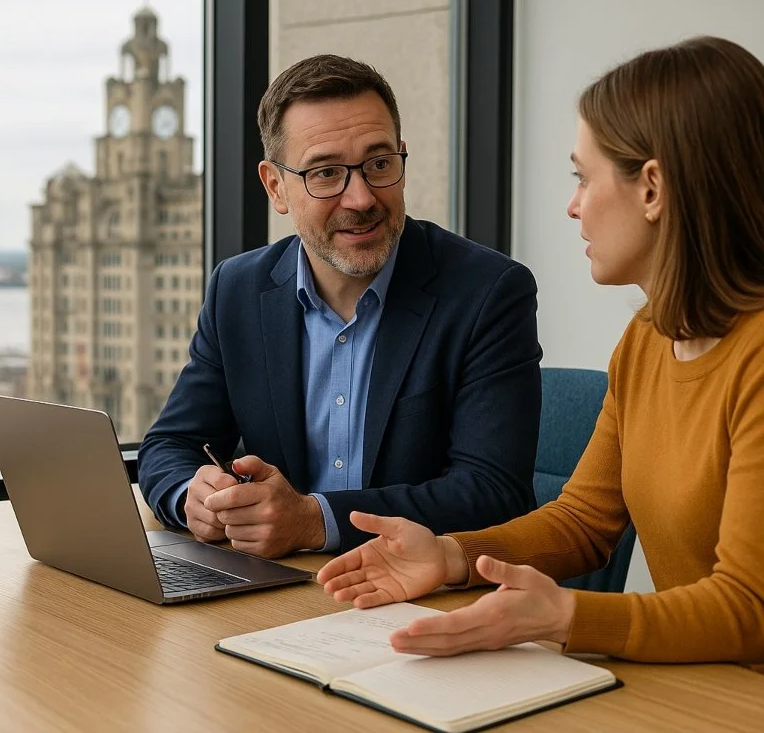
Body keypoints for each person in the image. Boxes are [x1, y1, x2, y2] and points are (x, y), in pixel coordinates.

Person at [318, 36, 764, 665]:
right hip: (704, 690)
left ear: (653, 189)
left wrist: (565, 617)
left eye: (584, 177)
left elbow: (749, 608)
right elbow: (583, 520)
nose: (573, 204)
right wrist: (450, 556)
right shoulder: (648, 339)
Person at [138, 54, 542, 559]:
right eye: (327, 173)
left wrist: (313, 522)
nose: (361, 197)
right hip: (275, 592)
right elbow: (168, 445)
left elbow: (494, 493)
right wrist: (189, 498)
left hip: (415, 599)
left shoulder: (488, 292)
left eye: (379, 164)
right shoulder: (237, 289)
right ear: (275, 187)